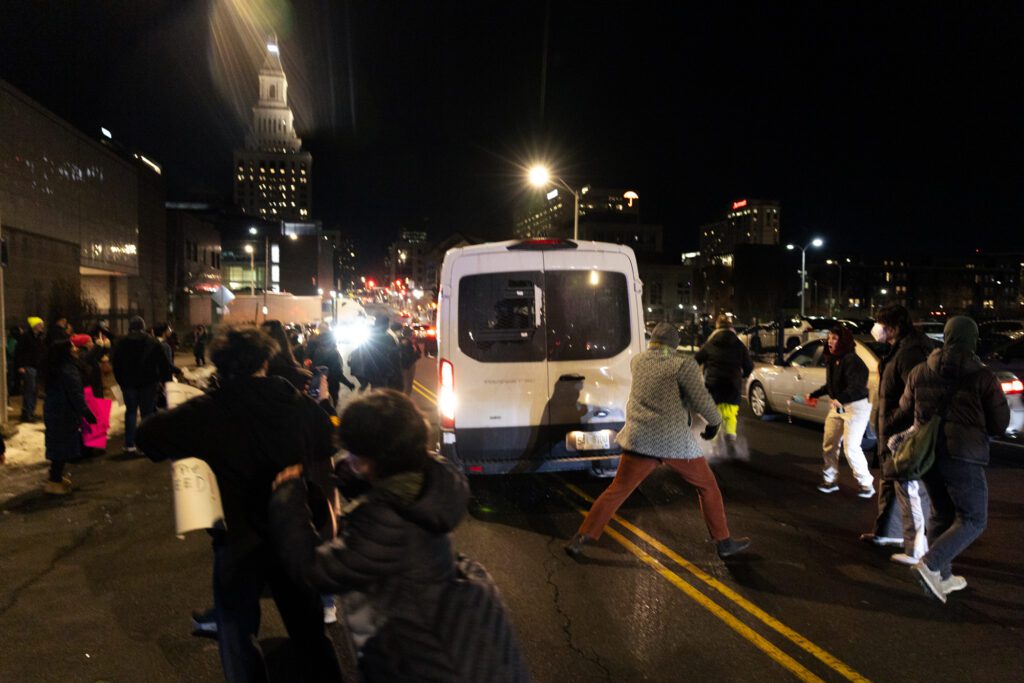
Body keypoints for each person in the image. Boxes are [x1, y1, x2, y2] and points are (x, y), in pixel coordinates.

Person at [268, 390, 529, 682]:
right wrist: (354, 473)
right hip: (453, 633)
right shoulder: (428, 481)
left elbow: (315, 570)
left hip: (420, 659)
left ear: (371, 462)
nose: (349, 458)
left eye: (355, 454)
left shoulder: (385, 522)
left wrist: (288, 498)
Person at [136, 326, 345, 681]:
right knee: (308, 629)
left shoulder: (207, 411)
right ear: (266, 361)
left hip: (237, 534)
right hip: (292, 529)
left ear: (220, 365)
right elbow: (329, 440)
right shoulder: (295, 405)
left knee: (236, 629)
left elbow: (148, 437)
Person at [565, 323, 751, 559]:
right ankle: (723, 542)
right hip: (673, 441)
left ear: (652, 341)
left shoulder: (638, 362)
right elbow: (701, 400)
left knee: (616, 491)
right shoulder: (682, 365)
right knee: (708, 487)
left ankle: (581, 538)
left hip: (639, 438)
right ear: (674, 344)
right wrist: (714, 423)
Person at [891, 316, 1009, 603]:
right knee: (974, 518)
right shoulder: (983, 376)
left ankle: (942, 577)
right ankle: (930, 564)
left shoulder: (920, 371)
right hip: (964, 455)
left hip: (928, 453)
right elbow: (999, 424)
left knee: (941, 513)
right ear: (972, 340)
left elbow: (905, 408)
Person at [861, 304, 933, 565]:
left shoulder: (910, 353)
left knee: (910, 488)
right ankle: (886, 533)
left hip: (902, 433)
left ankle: (917, 549)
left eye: (880, 323)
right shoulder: (900, 349)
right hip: (892, 429)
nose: (876, 328)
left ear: (894, 327)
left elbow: (916, 396)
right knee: (890, 481)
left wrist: (893, 421)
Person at [806, 323, 875, 498]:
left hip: (856, 407)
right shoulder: (832, 359)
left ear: (843, 341)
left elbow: (857, 387)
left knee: (851, 447)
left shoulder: (852, 360)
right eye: (829, 337)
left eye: (834, 338)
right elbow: (831, 386)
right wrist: (814, 394)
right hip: (839, 406)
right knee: (829, 444)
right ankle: (830, 480)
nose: (830, 341)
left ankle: (866, 484)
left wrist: (840, 399)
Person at [42, 340, 97, 495]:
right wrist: (86, 413)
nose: (75, 349)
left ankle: (56, 477)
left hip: (55, 410)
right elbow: (76, 395)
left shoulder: (55, 368)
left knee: (58, 444)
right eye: (72, 347)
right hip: (64, 412)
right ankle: (54, 481)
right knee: (62, 447)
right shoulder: (68, 370)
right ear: (65, 352)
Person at [694, 314, 754, 456]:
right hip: (732, 386)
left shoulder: (710, 343)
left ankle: (715, 447)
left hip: (714, 386)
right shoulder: (739, 344)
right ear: (731, 327)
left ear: (717, 326)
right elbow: (749, 366)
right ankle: (731, 438)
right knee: (730, 415)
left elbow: (695, 360)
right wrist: (741, 376)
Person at [111, 316, 172, 454]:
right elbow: (163, 364)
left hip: (129, 384)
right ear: (143, 327)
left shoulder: (121, 343)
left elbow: (116, 365)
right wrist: (165, 382)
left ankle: (129, 444)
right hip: (149, 383)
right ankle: (145, 445)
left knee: (131, 412)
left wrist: (121, 382)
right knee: (147, 414)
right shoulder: (152, 342)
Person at [15, 316, 46, 422]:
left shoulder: (39, 337)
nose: (42, 326)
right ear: (34, 325)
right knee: (29, 390)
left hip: (36, 367)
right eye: (40, 324)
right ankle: (27, 413)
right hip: (28, 367)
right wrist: (21, 366)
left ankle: (30, 412)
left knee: (34, 391)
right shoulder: (26, 337)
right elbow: (19, 352)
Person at [397, 325, 421, 395]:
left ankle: (405, 396)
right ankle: (403, 396)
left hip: (409, 364)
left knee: (408, 383)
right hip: (405, 365)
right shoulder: (401, 341)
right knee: (405, 383)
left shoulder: (412, 342)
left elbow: (418, 353)